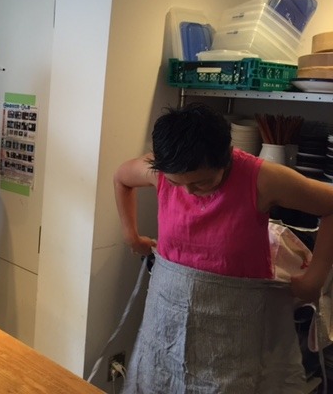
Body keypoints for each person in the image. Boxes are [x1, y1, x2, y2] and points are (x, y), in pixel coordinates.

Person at [113, 102, 333, 393]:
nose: (189, 191)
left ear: (226, 156)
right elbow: (122, 178)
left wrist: (315, 278)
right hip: (168, 314)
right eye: (177, 183)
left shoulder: (261, 179)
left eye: (202, 182)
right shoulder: (162, 171)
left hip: (237, 326)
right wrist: (132, 237)